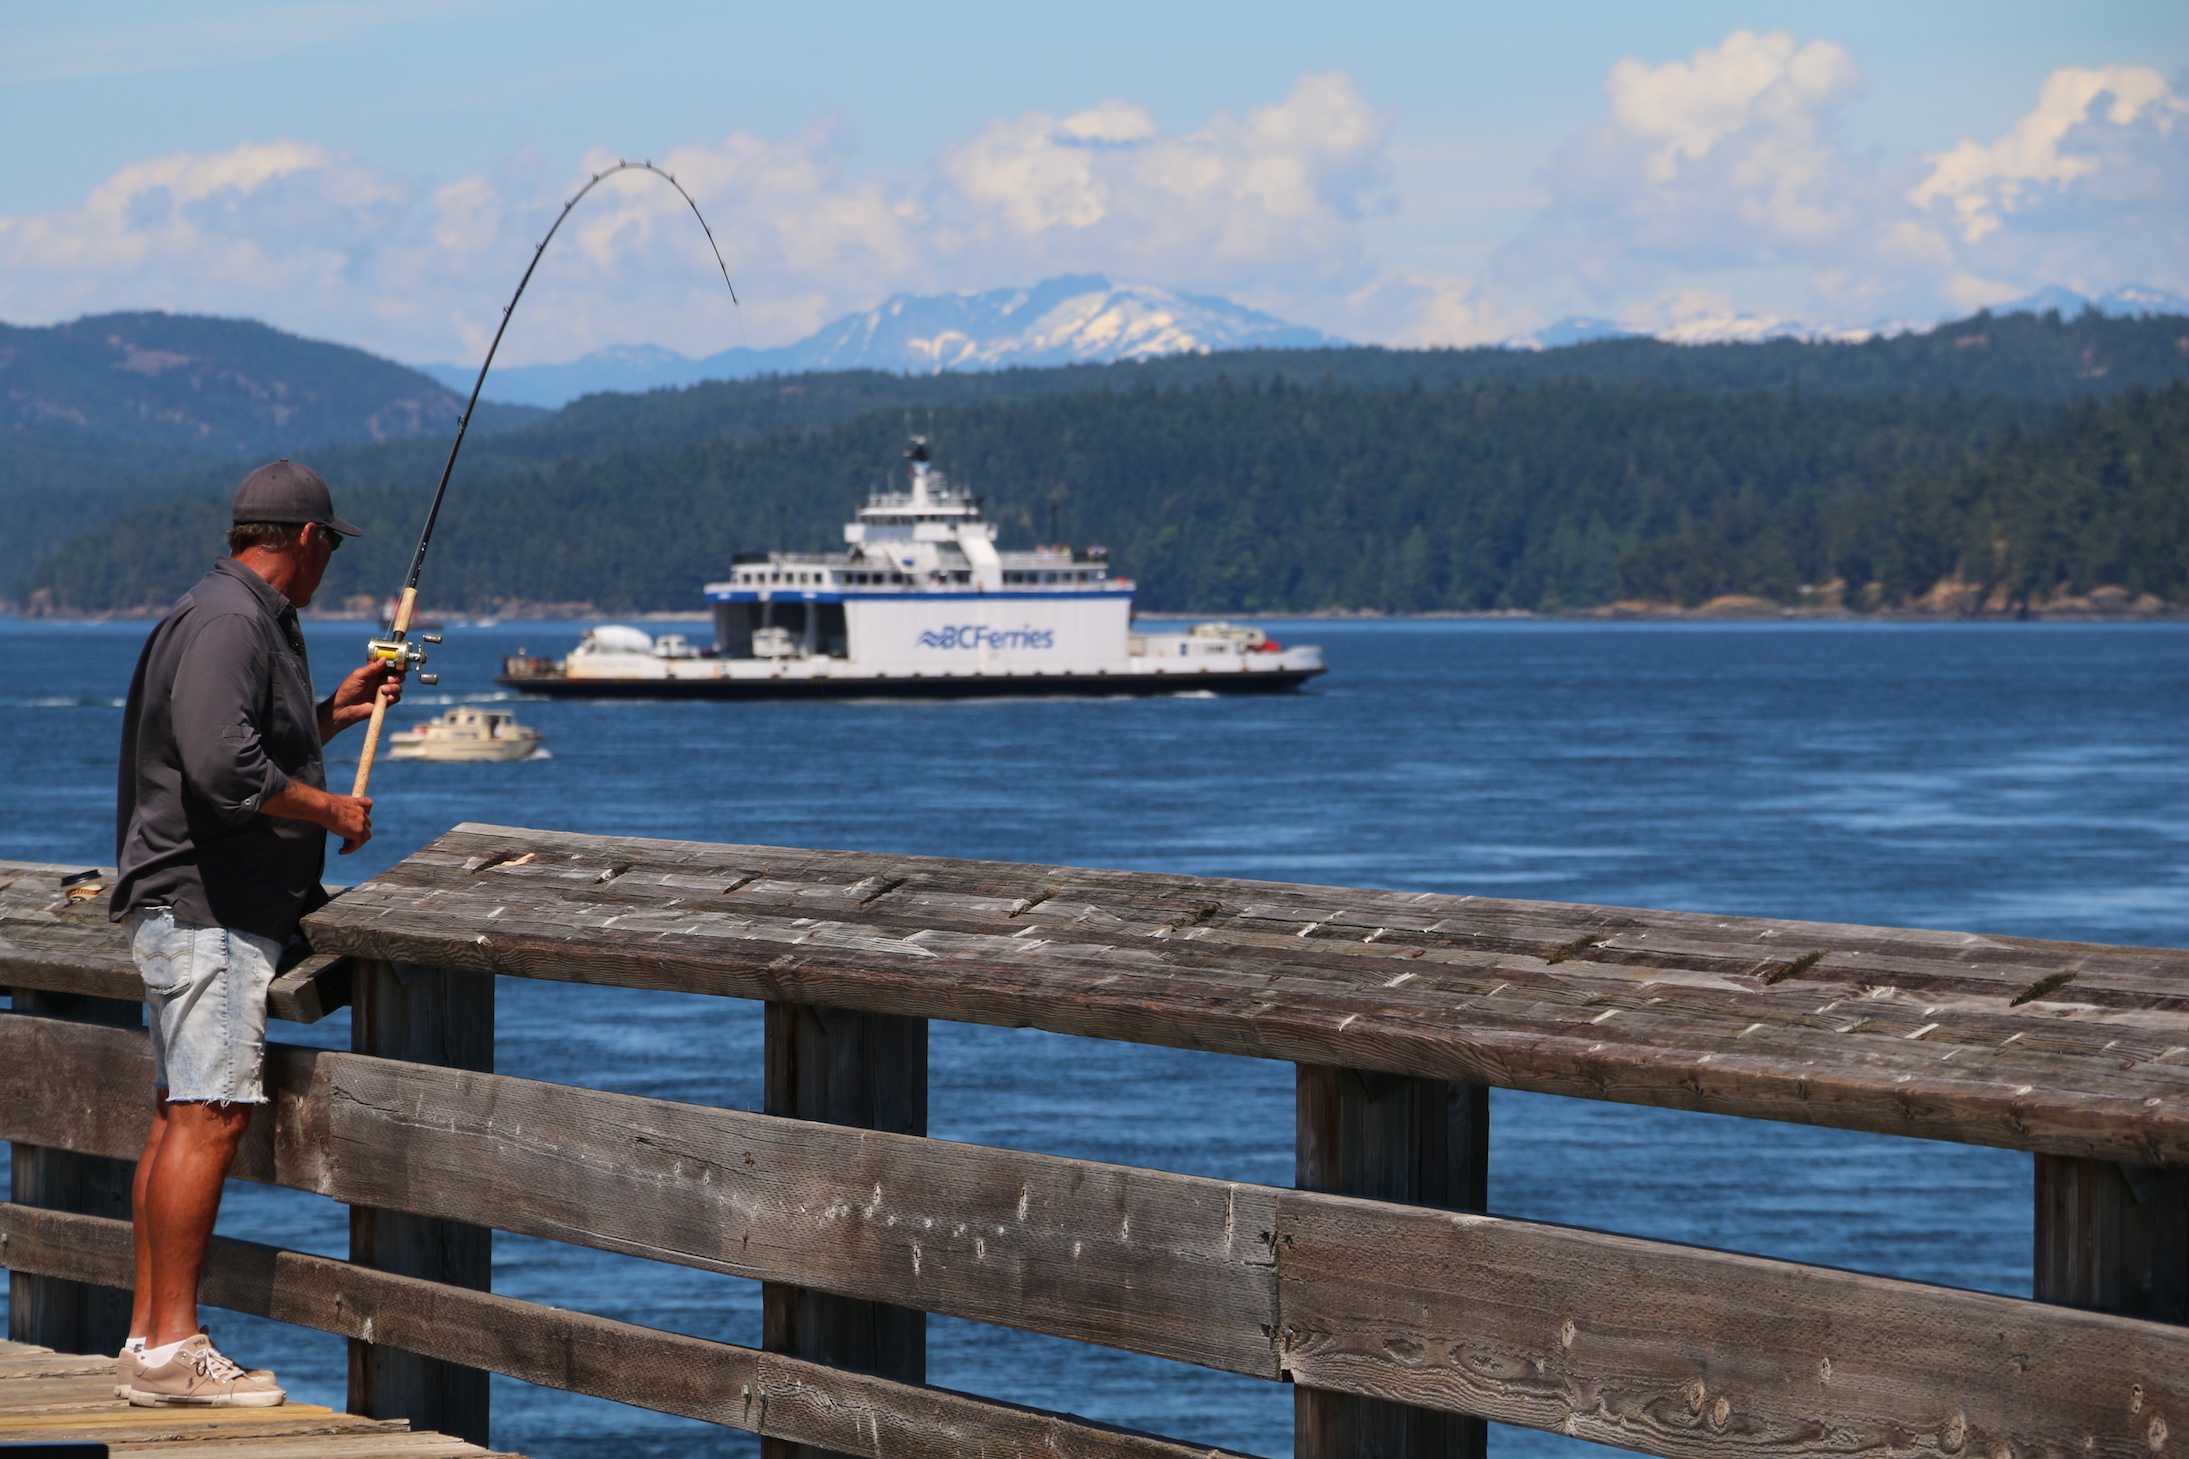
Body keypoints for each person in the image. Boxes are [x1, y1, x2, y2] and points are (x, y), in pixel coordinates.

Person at [109, 459, 403, 1407]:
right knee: (210, 1114)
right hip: (213, 910)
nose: (326, 565)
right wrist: (330, 810)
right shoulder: (237, 622)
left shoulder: (216, 611)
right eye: (329, 546)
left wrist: (329, 713)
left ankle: (151, 1340)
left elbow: (236, 740)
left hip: (188, 904)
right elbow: (221, 764)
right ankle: (176, 1343)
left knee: (179, 1112)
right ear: (307, 540)